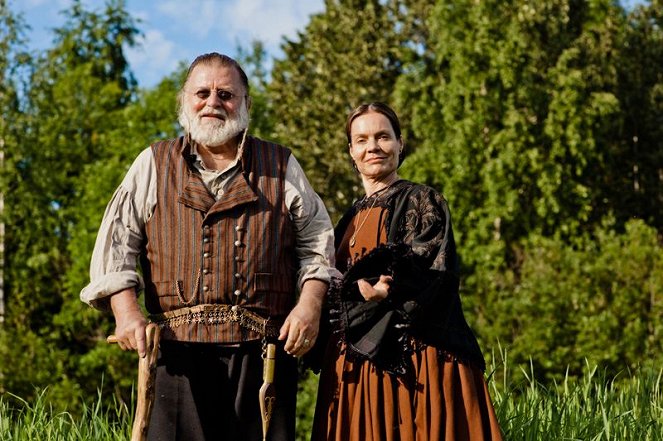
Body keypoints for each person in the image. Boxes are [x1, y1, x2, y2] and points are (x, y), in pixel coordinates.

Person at [80, 52, 338, 441]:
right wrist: (126, 313)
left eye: (226, 94)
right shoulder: (153, 162)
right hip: (174, 357)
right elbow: (116, 245)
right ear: (184, 101)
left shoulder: (281, 165)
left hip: (264, 358)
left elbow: (318, 243)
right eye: (202, 92)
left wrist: (309, 306)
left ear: (246, 104)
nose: (213, 102)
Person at [310, 102, 503, 440]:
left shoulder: (422, 200)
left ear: (400, 143)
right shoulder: (347, 218)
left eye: (383, 136)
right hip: (357, 368)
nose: (373, 147)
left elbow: (426, 268)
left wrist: (374, 285)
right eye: (362, 139)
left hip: (416, 360)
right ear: (351, 151)